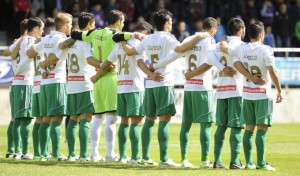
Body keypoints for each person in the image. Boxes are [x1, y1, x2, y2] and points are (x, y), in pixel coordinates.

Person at [118, 9, 210, 167]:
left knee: (148, 120)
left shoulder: (148, 39)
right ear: (167, 23)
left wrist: (150, 74)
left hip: (151, 84)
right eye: (171, 21)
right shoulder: (168, 38)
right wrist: (199, 36)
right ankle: (164, 159)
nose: (172, 23)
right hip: (164, 82)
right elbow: (180, 49)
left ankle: (145, 157)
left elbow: (136, 57)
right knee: (164, 120)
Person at [91, 21, 162, 164]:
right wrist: (151, 74)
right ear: (145, 32)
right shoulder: (138, 44)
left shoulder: (119, 44)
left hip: (121, 86)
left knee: (124, 122)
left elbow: (106, 63)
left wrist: (96, 75)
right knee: (137, 121)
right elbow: (140, 63)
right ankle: (135, 157)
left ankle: (123, 156)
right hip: (135, 87)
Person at [221, 20, 283, 171]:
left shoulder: (242, 48)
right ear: (261, 34)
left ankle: (249, 163)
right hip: (262, 94)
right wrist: (279, 90)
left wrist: (250, 77)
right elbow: (272, 71)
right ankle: (261, 164)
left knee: (249, 129)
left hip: (247, 94)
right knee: (261, 129)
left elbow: (235, 63)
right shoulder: (265, 49)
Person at [70, 9, 129, 162]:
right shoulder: (116, 36)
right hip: (110, 77)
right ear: (117, 22)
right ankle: (110, 154)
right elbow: (130, 37)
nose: (123, 24)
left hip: (97, 80)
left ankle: (94, 154)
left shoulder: (94, 33)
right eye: (122, 21)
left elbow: (76, 34)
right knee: (111, 117)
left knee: (97, 118)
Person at [28, 12, 73, 161]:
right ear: (65, 25)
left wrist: (42, 69)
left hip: (44, 83)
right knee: (57, 118)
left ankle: (41, 153)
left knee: (45, 119)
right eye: (71, 24)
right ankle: (55, 154)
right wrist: (44, 65)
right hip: (57, 81)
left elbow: (30, 52)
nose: (71, 27)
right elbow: (56, 57)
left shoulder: (46, 38)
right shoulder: (61, 39)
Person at [178, 17, 218, 168]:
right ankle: (205, 160)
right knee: (206, 124)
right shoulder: (210, 41)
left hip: (189, 86)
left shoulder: (190, 38)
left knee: (186, 124)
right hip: (203, 87)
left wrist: (188, 74)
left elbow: (180, 52)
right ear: (213, 29)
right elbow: (209, 63)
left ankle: (184, 160)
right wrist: (193, 73)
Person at [208, 18, 246, 169]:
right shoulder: (242, 46)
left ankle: (217, 161)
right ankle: (235, 161)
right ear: (241, 30)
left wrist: (222, 68)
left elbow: (209, 57)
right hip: (236, 89)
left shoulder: (219, 44)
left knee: (221, 126)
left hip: (222, 89)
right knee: (236, 126)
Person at [59, 12, 97, 161]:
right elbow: (89, 59)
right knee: (86, 119)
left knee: (73, 119)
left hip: (72, 83)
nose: (94, 27)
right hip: (85, 83)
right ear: (88, 26)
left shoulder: (71, 41)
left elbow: (61, 46)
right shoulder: (86, 41)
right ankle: (83, 155)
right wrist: (103, 65)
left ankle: (72, 154)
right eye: (93, 25)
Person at [10, 17, 44, 160]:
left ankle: (17, 151)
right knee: (25, 120)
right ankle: (24, 152)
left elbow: (10, 53)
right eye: (41, 29)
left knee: (17, 120)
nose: (42, 32)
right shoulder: (31, 42)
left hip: (16, 84)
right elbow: (28, 59)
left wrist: (15, 70)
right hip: (25, 83)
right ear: (35, 28)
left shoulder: (20, 41)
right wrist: (18, 69)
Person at [3, 18, 28, 159]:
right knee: (20, 119)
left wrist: (16, 44)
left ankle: (11, 149)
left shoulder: (16, 42)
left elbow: (6, 52)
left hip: (14, 83)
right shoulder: (26, 42)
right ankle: (18, 151)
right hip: (23, 82)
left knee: (14, 119)